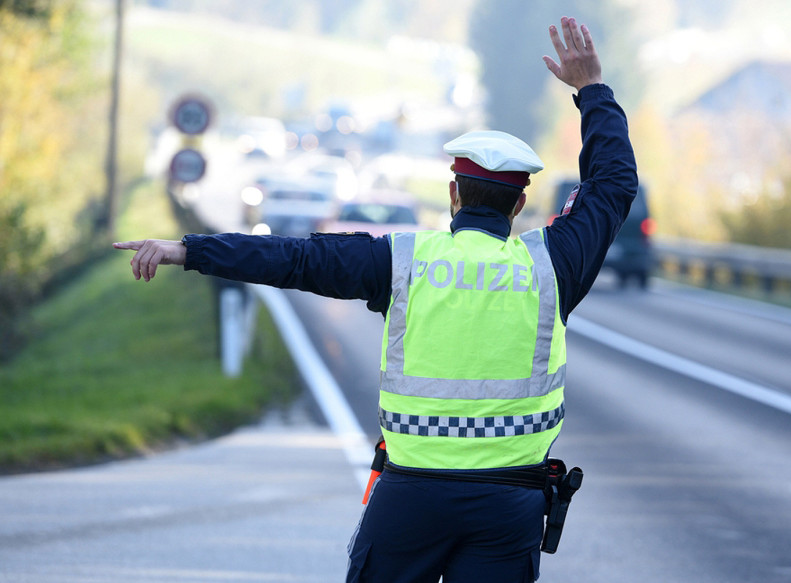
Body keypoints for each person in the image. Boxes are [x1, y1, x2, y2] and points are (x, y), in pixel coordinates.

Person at [115, 16, 637, 583]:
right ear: (518, 206)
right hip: (508, 507)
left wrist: (187, 250)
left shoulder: (401, 261)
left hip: (409, 500)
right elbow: (612, 185)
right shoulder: (551, 266)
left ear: (453, 194)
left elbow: (294, 258)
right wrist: (591, 90)